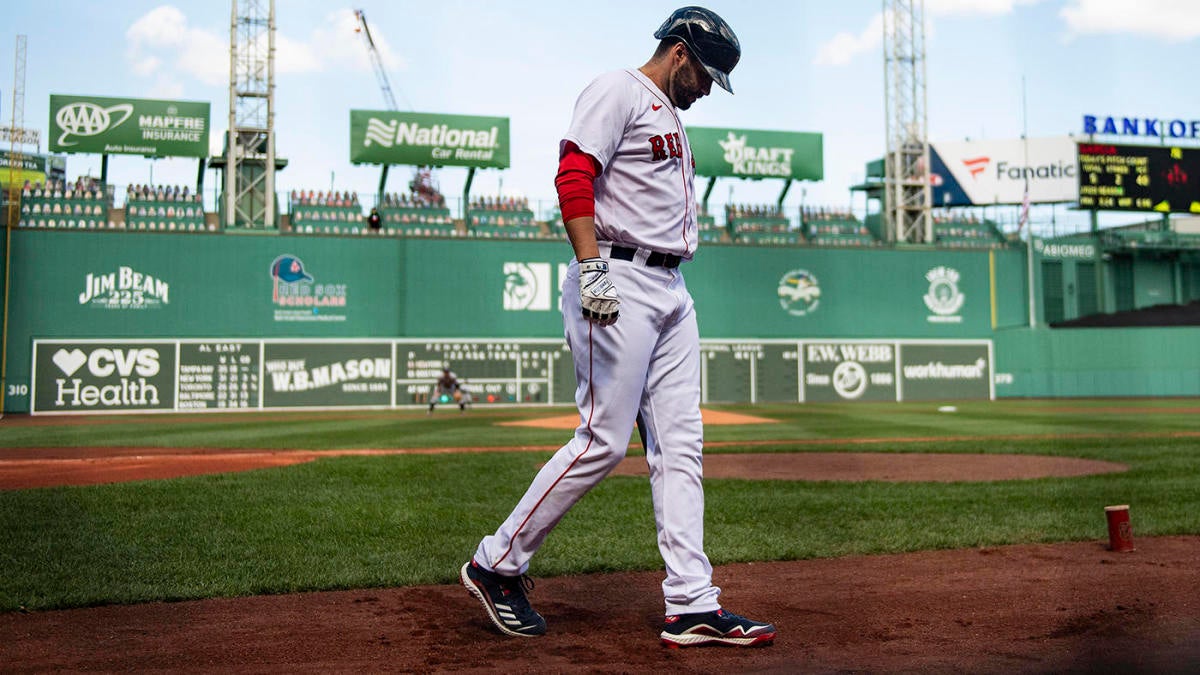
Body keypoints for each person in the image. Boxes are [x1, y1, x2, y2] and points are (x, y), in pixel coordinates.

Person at [460, 6, 775, 648]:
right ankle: (497, 563)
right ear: (679, 52)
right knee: (604, 439)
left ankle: (691, 602)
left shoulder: (670, 115)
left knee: (681, 445)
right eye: (707, 74)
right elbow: (574, 174)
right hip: (616, 275)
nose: (709, 89)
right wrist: (591, 268)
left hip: (671, 288)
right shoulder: (617, 89)